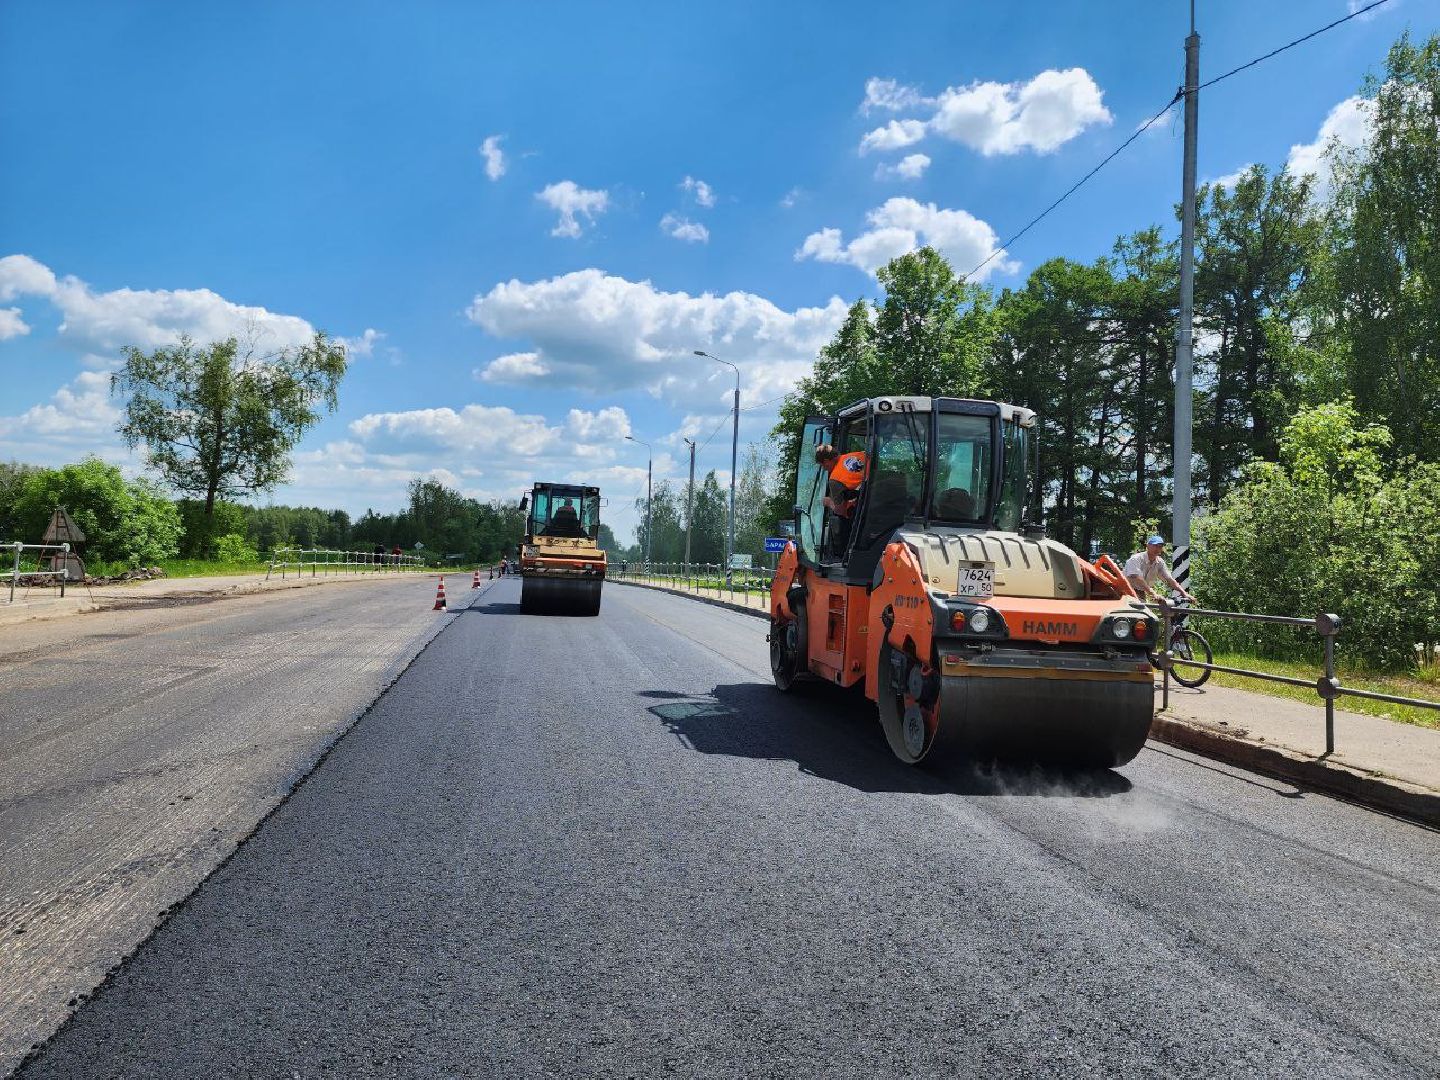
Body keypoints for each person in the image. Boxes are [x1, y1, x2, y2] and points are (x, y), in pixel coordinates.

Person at [815, 443, 867, 555]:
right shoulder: (860, 455)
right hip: (881, 501)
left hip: (864, 517)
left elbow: (840, 511)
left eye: (823, 465)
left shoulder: (835, 479)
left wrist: (829, 502)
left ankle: (842, 556)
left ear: (827, 460)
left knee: (840, 522)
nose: (824, 469)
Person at [1124, 534, 1195, 602]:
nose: (1157, 549)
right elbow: (1137, 578)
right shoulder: (1136, 559)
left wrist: (1183, 593)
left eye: (1160, 547)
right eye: (1155, 546)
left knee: (1144, 610)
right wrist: (1152, 593)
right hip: (1124, 590)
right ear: (1148, 546)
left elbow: (1169, 579)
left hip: (1141, 592)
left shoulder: (1160, 562)